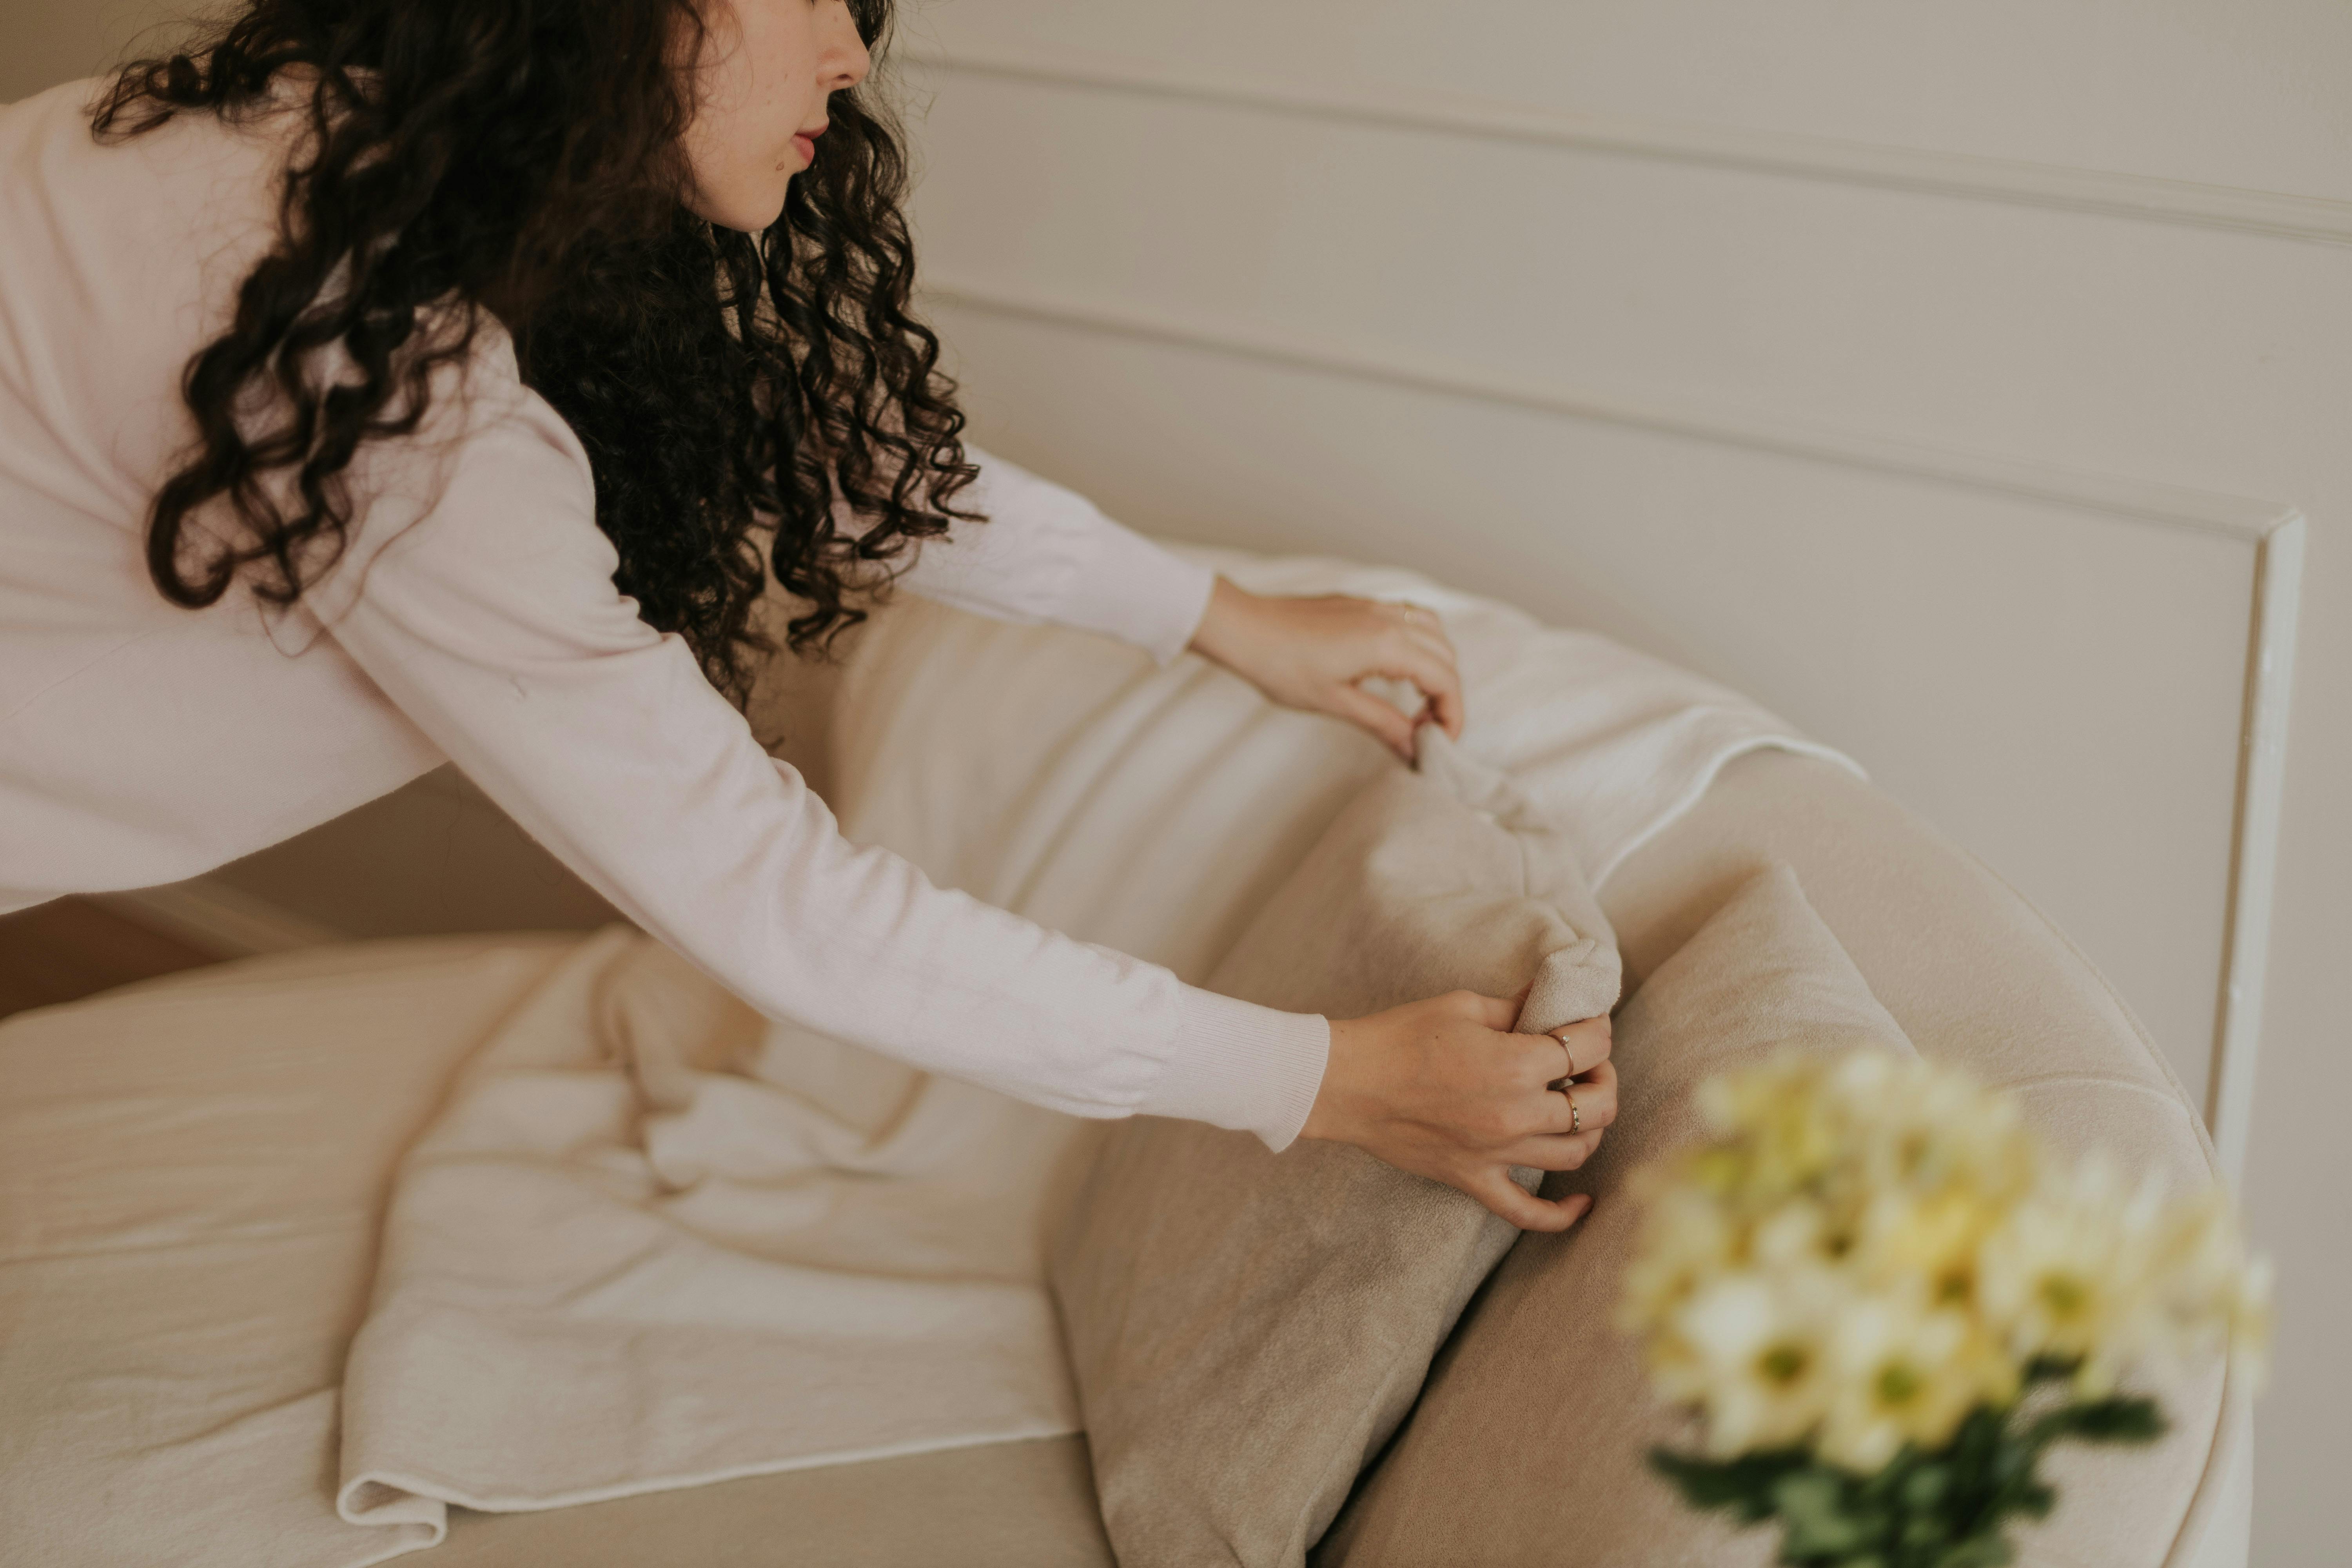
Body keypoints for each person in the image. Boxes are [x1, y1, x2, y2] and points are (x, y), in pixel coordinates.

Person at [0, 0, 1615, 1229]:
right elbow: (778, 899)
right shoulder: (380, 383)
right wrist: (1330, 1081)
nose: (850, 52)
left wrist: (1222, 615)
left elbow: (805, 451)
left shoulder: (293, 151)